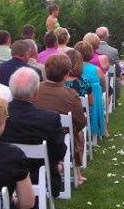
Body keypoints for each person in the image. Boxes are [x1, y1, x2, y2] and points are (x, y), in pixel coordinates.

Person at [0, 67, 67, 197]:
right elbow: (59, 151)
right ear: (36, 93)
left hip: (5, 172)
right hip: (39, 174)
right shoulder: (49, 119)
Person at [36, 54, 88, 184]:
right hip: (58, 138)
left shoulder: (34, 89)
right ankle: (77, 172)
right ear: (66, 74)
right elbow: (81, 122)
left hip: (34, 132)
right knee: (78, 132)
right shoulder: (71, 95)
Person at [96, 26, 121, 99]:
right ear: (106, 37)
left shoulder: (89, 49)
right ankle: (113, 98)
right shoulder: (113, 51)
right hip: (108, 81)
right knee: (115, 77)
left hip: (92, 80)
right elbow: (117, 69)